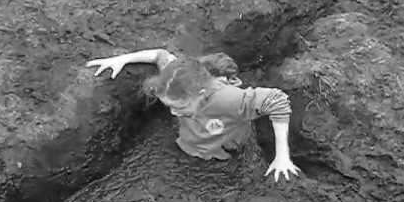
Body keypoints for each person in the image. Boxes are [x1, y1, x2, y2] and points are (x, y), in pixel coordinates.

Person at [86, 49, 301, 182]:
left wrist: (282, 156)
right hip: (192, 146)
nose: (173, 112)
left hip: (229, 153)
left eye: (180, 108)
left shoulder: (229, 99)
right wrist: (121, 59)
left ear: (200, 94)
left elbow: (278, 101)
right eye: (168, 106)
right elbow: (161, 55)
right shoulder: (176, 78)